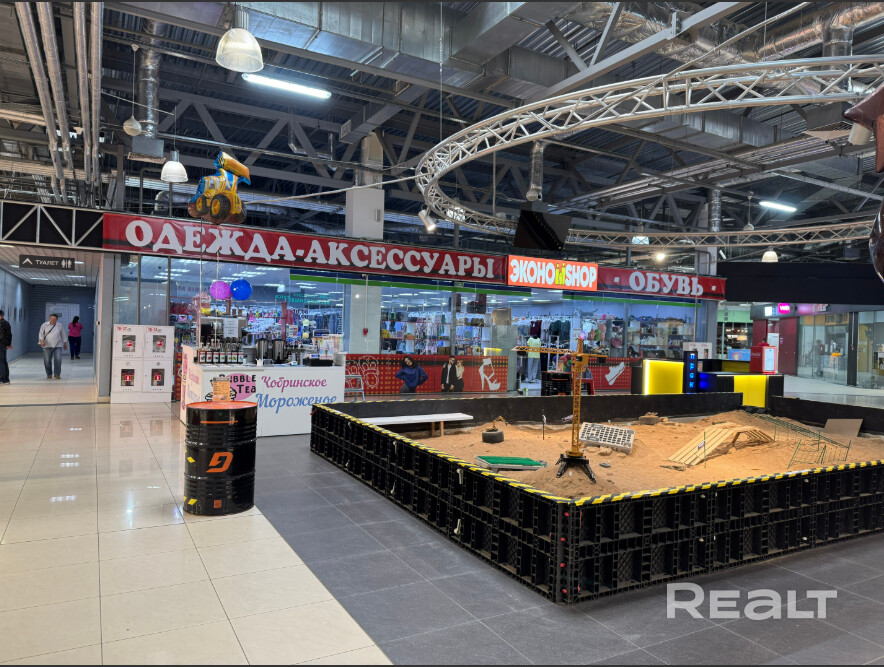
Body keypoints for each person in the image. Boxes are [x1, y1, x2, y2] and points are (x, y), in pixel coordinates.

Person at [38, 313, 68, 380]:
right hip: (47, 345)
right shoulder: (44, 325)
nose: (52, 320)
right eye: (51, 318)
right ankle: (49, 374)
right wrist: (42, 341)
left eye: (54, 319)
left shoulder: (59, 325)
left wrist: (65, 343)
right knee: (47, 360)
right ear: (49, 318)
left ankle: (57, 374)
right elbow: (41, 334)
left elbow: (63, 334)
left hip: (58, 345)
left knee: (58, 359)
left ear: (57, 319)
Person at [0, 309, 11, 385]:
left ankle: (2, 379)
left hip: (1, 344)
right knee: (3, 361)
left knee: (1, 361)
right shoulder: (6, 323)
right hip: (4, 345)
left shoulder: (2, 323)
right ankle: (6, 379)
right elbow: (9, 335)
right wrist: (8, 344)